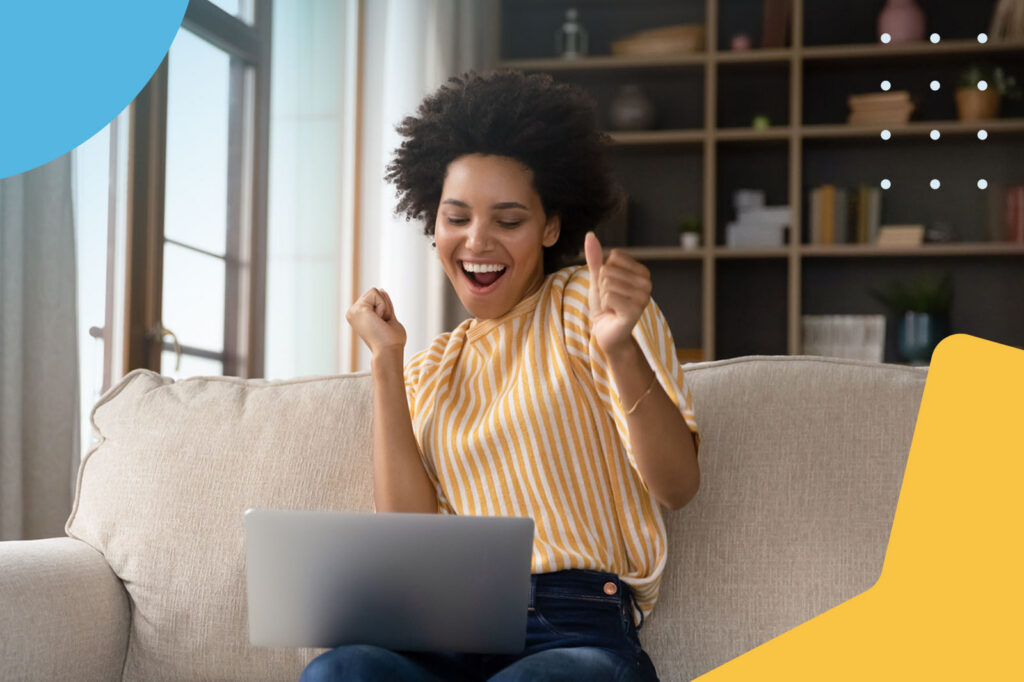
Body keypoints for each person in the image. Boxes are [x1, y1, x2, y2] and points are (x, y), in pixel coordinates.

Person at [301, 70, 699, 682]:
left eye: (507, 220)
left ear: (550, 226)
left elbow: (676, 486)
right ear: (431, 225)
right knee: (340, 671)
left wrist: (620, 348)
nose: (476, 241)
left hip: (574, 627)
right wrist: (385, 362)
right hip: (443, 627)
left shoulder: (587, 305)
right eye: (456, 218)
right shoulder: (431, 366)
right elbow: (409, 536)